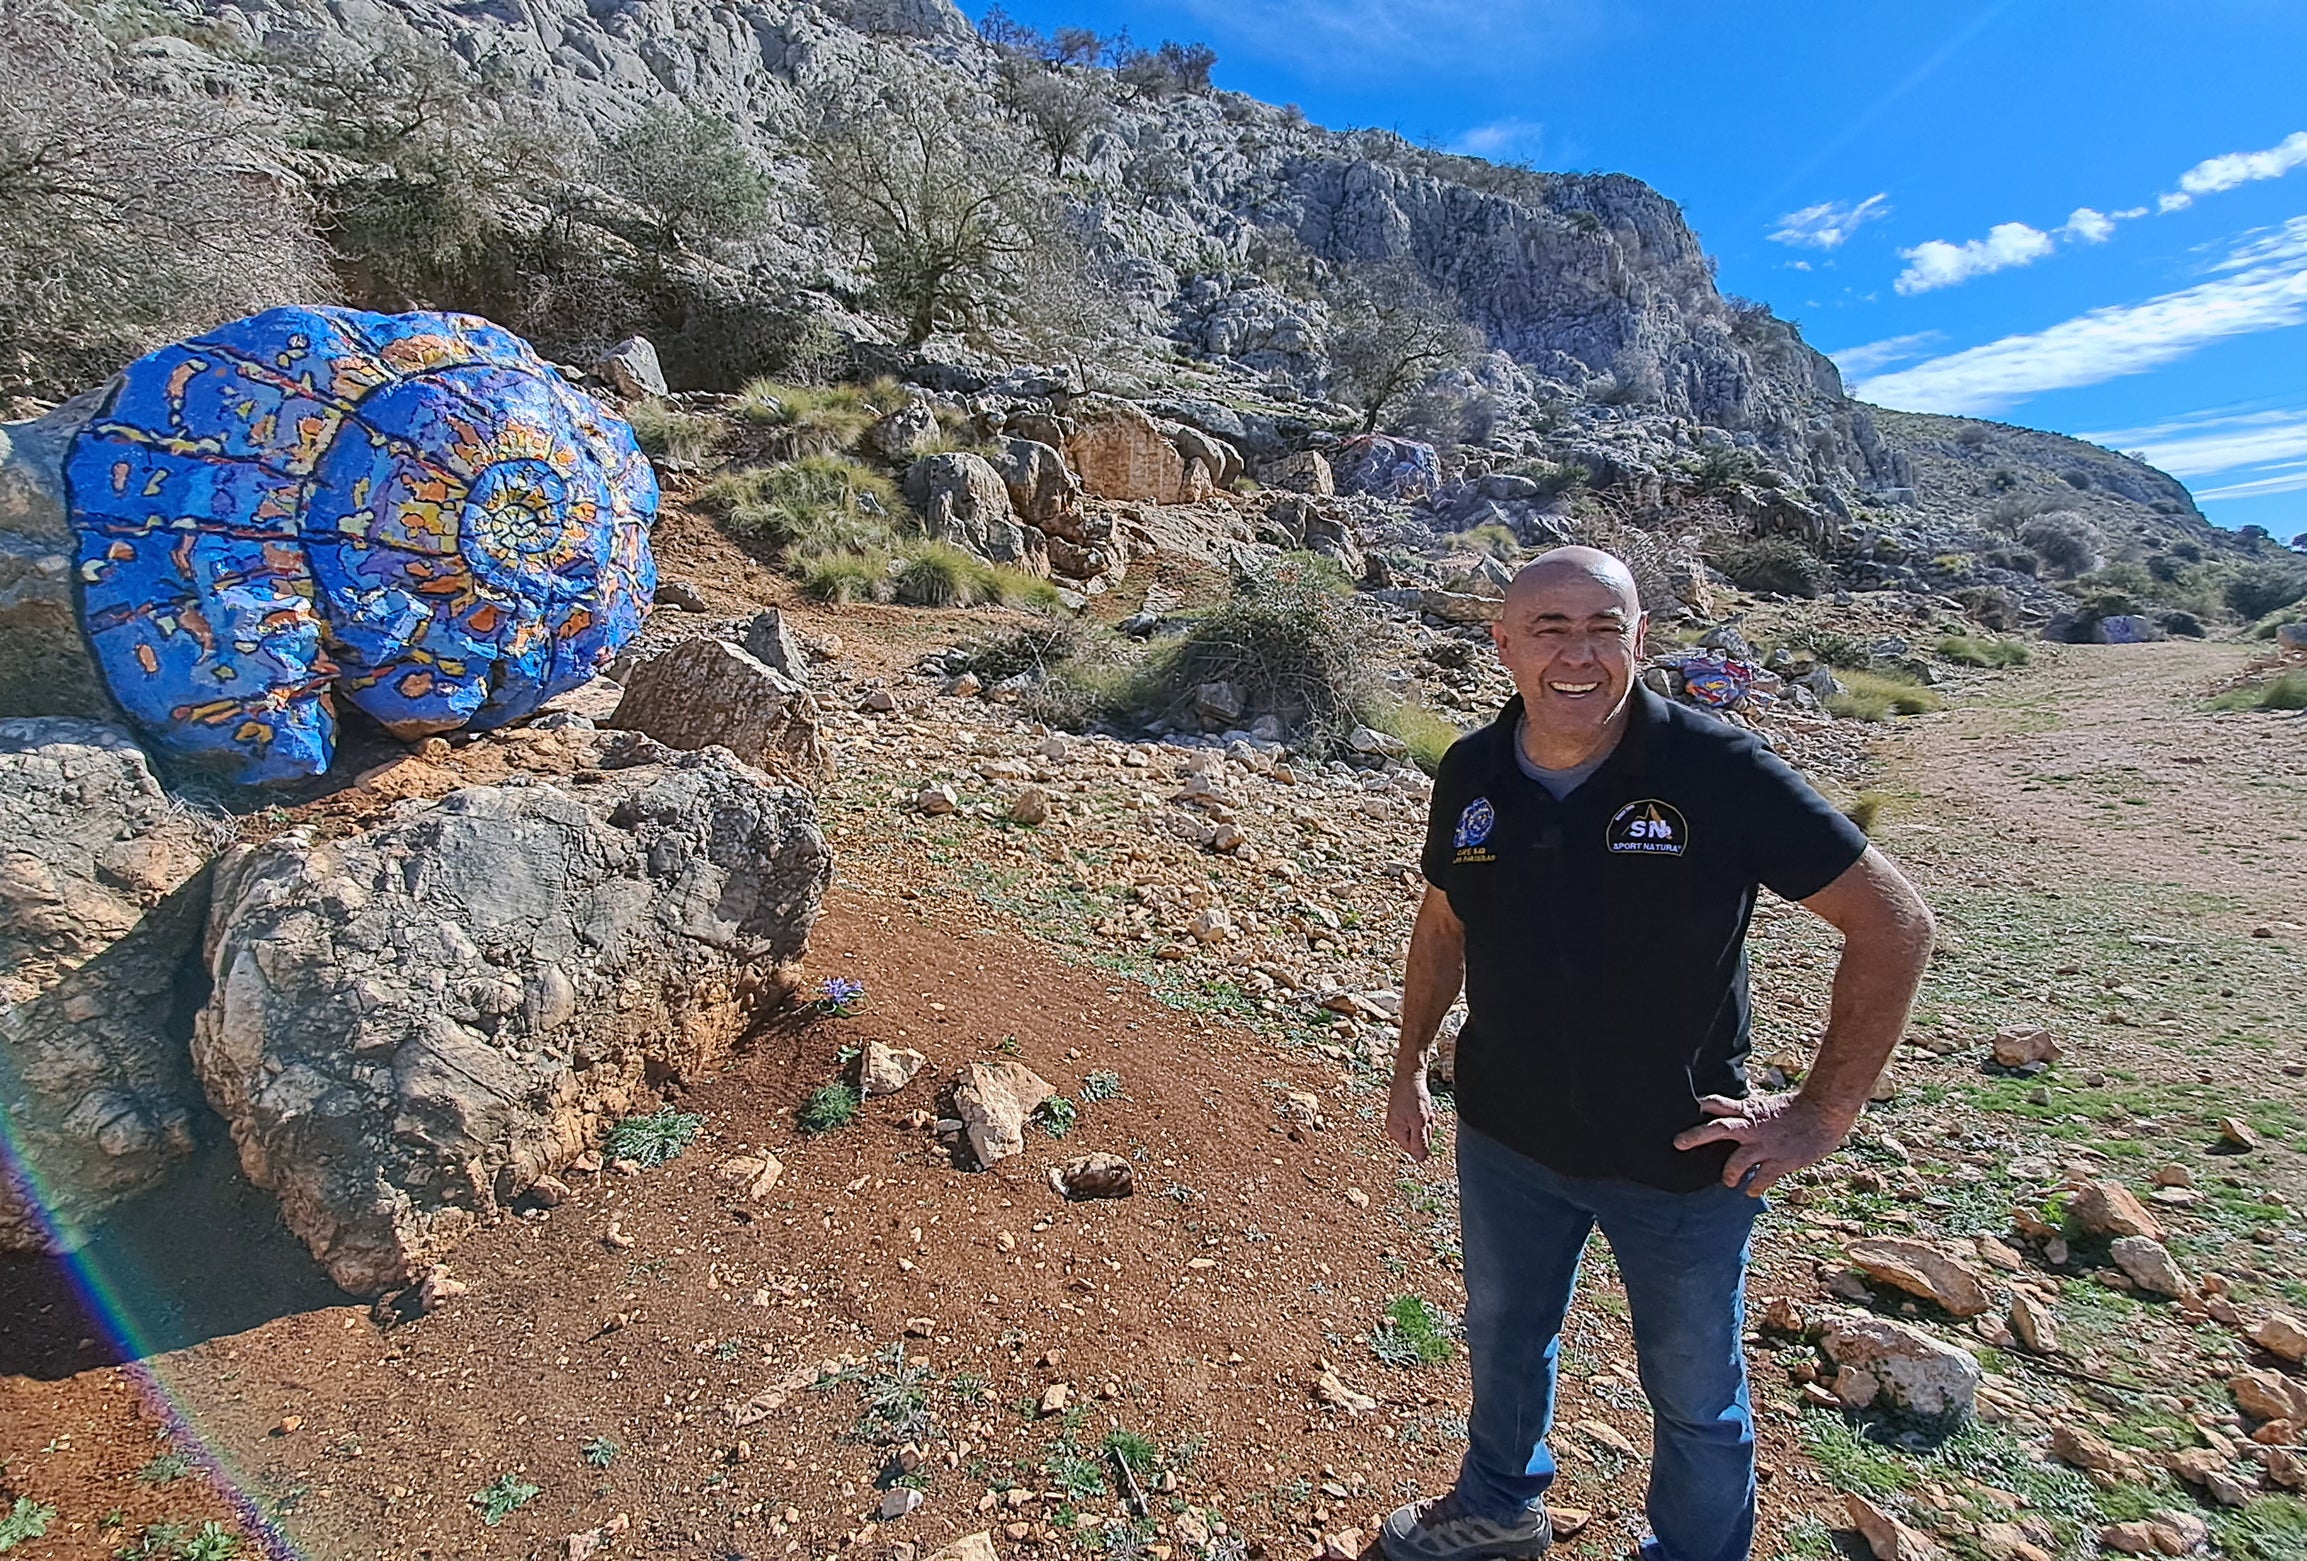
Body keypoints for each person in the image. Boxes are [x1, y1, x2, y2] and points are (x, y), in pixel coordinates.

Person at [1379, 548, 1934, 1561]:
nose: (1578, 652)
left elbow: (1892, 923)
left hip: (1681, 1156)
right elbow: (1445, 919)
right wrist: (1411, 1057)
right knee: (1505, 1340)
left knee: (1693, 1393)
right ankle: (1501, 1506)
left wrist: (1820, 1114)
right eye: (1549, 627)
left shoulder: (1717, 769)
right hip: (1507, 1134)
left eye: (1605, 625)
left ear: (1641, 637)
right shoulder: (1472, 769)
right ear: (1502, 644)